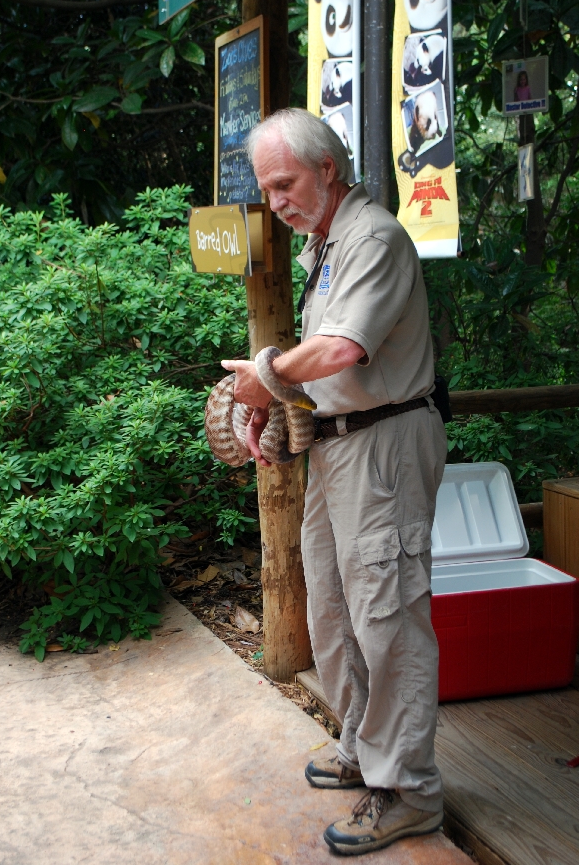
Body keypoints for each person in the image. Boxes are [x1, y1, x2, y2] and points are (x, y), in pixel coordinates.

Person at [221, 108, 447, 857]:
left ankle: (407, 789)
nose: (276, 200)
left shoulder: (373, 237)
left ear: (328, 169)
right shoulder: (327, 243)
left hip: (385, 446)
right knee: (333, 604)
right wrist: (276, 411)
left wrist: (263, 379)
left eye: (285, 183)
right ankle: (362, 745)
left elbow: (344, 348)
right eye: (267, 188)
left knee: (388, 616)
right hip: (339, 446)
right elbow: (319, 367)